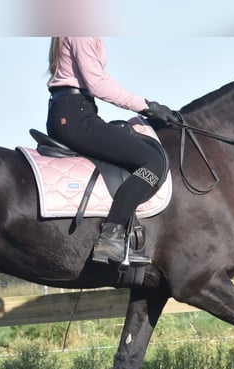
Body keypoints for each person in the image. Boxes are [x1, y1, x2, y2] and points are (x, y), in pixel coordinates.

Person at [46, 36, 177, 267]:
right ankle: (111, 235)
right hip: (75, 116)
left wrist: (146, 106)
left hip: (79, 111)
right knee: (152, 162)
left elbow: (100, 78)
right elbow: (97, 84)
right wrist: (145, 105)